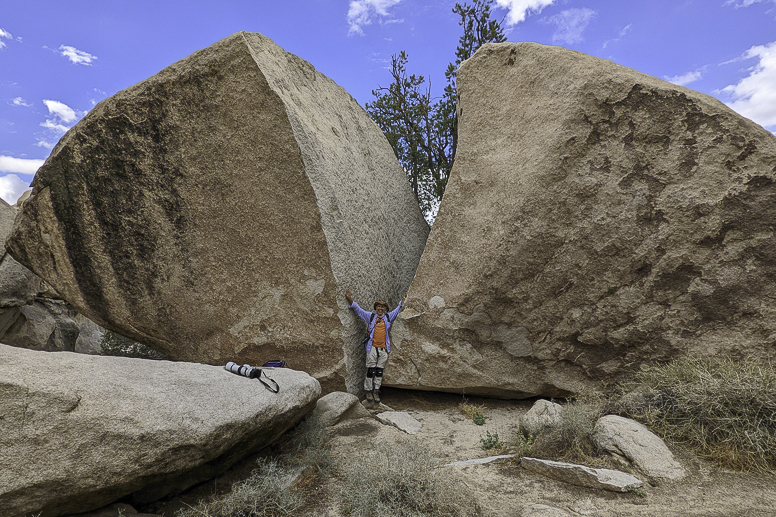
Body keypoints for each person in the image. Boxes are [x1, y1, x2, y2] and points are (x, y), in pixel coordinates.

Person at [345, 288, 403, 403]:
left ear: (385, 309)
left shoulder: (387, 317)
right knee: (370, 370)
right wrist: (350, 299)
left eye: (382, 307)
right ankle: (368, 391)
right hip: (372, 348)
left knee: (379, 371)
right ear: (376, 308)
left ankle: (376, 391)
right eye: (378, 306)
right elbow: (358, 310)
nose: (380, 308)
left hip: (383, 349)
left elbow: (397, 309)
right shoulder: (371, 317)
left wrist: (404, 299)